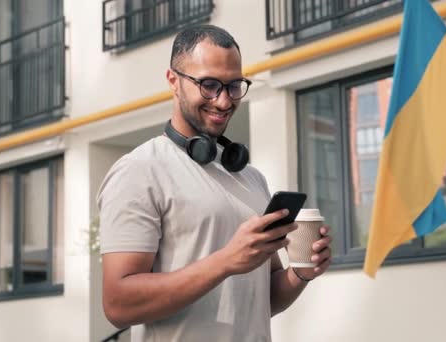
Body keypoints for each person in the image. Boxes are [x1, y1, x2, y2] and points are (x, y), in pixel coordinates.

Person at [97, 24, 332, 342]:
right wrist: (226, 261)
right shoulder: (140, 170)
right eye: (208, 85)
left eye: (234, 86)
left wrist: (300, 273)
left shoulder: (251, 177)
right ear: (173, 81)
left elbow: (263, 299)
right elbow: (118, 303)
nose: (224, 101)